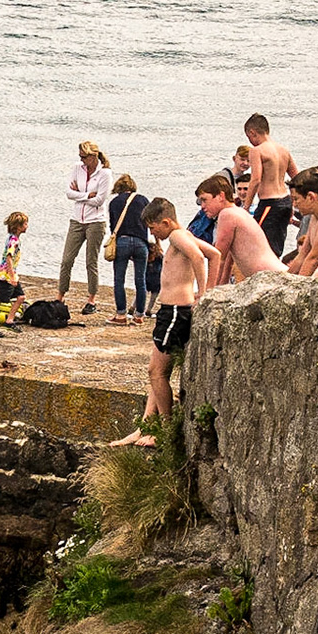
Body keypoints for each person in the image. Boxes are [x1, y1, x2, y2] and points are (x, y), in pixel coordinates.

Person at [112, 198, 210, 447]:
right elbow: (215, 254)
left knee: (158, 372)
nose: (152, 233)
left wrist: (204, 294)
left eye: (153, 228)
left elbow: (199, 258)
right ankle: (145, 427)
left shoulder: (177, 236)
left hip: (176, 311)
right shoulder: (183, 235)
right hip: (169, 312)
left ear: (165, 222)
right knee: (154, 372)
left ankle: (164, 431)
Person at [198, 176, 285, 287]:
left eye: (204, 200)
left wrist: (207, 293)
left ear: (221, 196)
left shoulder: (227, 214)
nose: (202, 207)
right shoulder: (238, 212)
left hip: (271, 278)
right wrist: (220, 288)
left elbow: (218, 258)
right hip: (274, 275)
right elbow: (228, 261)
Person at [58, 141, 112, 314]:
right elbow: (68, 193)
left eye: (84, 157)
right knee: (67, 260)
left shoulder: (105, 174)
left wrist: (78, 195)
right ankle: (60, 295)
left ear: (93, 156)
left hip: (96, 221)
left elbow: (100, 201)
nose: (81, 160)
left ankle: (92, 299)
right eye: (80, 157)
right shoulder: (77, 168)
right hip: (76, 220)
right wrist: (87, 195)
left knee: (91, 261)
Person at [244, 113, 298, 254]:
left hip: (269, 203)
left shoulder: (257, 151)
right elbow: (297, 179)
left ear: (252, 132)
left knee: (260, 244)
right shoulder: (283, 150)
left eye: (249, 137)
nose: (250, 141)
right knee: (277, 243)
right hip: (285, 201)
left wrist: (246, 206)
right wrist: (293, 203)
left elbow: (256, 180)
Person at [107, 174, 151, 323]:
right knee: (141, 280)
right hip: (141, 243)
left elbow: (113, 227)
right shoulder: (143, 200)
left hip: (122, 241)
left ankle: (121, 315)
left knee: (119, 280)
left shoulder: (114, 202)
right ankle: (139, 316)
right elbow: (150, 221)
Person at [0, 211, 28, 338]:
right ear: (18, 227)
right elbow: (9, 258)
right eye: (25, 224)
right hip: (4, 275)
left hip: (11, 274)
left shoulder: (14, 239)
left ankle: (9, 320)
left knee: (21, 297)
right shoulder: (13, 241)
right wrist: (11, 277)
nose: (27, 226)